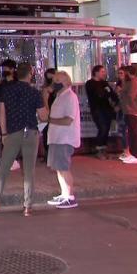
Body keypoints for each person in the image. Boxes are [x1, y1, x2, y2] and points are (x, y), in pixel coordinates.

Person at [0, 63, 47, 217]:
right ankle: (27, 206)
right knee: (29, 171)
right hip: (30, 132)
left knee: (3, 169)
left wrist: (4, 133)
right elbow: (43, 115)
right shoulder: (34, 92)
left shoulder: (7, 91)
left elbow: (2, 113)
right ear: (30, 74)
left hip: (12, 133)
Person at [46, 71, 80, 209]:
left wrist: (51, 120)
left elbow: (68, 120)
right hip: (56, 138)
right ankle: (64, 193)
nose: (55, 84)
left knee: (63, 167)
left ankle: (70, 196)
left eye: (57, 81)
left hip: (65, 138)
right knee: (58, 168)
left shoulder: (70, 97)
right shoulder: (59, 96)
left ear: (66, 82)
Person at [0, 59, 19, 169]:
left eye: (6, 68)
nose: (4, 70)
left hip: (14, 111)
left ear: (12, 69)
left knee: (13, 134)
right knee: (4, 134)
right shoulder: (3, 82)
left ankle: (14, 159)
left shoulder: (17, 82)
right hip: (4, 110)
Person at [85, 65, 118, 158]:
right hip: (97, 109)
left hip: (107, 108)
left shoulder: (105, 83)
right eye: (102, 71)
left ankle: (103, 148)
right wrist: (105, 94)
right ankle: (98, 149)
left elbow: (112, 94)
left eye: (105, 71)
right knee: (102, 127)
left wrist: (116, 102)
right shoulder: (90, 83)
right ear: (96, 72)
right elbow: (98, 95)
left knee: (107, 128)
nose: (104, 73)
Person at [117, 65, 137, 164]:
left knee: (133, 134)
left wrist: (122, 91)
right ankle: (132, 154)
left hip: (132, 110)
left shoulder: (134, 82)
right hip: (129, 110)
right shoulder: (131, 82)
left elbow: (131, 96)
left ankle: (136, 155)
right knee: (131, 133)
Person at [40, 68, 57, 161]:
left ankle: (52, 154)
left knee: (52, 133)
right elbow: (45, 102)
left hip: (56, 112)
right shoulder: (46, 89)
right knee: (47, 133)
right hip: (50, 111)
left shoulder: (58, 88)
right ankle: (48, 154)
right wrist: (48, 112)